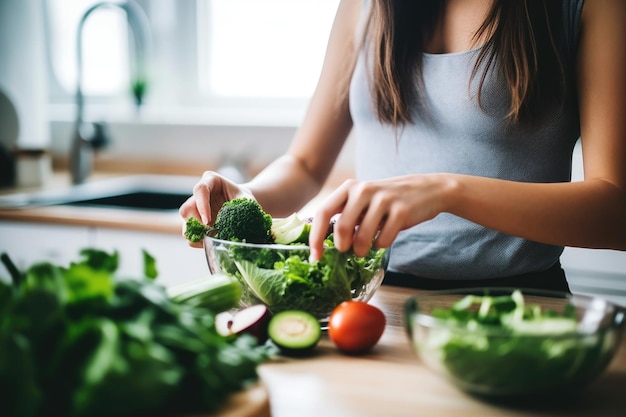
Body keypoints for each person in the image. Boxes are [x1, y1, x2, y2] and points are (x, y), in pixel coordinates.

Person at [179, 0, 626, 292]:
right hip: (370, 303)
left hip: (518, 306)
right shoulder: (365, 6)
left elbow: (616, 211)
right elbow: (305, 164)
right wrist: (250, 197)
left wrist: (446, 192)